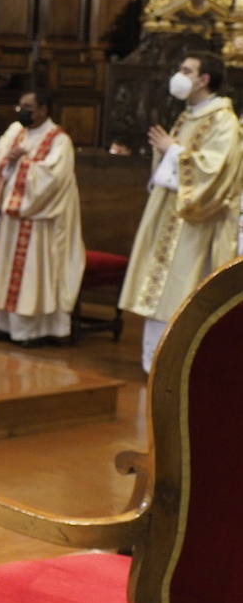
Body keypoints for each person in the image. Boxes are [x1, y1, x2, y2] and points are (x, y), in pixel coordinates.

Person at [120, 52, 243, 372]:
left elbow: (213, 173)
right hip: (171, 217)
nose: (179, 75)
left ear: (204, 80)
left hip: (198, 223)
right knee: (160, 291)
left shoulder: (223, 121)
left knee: (180, 291)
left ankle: (178, 365)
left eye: (186, 70)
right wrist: (167, 153)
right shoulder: (189, 116)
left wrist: (172, 151)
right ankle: (156, 362)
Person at [0, 91, 85, 344]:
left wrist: (25, 163)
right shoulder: (15, 131)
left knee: (36, 272)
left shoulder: (59, 140)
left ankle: (37, 329)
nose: (22, 111)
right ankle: (7, 324)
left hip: (42, 220)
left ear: (44, 109)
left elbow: (54, 178)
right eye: (20, 106)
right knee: (10, 269)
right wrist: (7, 161)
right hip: (15, 218)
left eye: (28, 107)